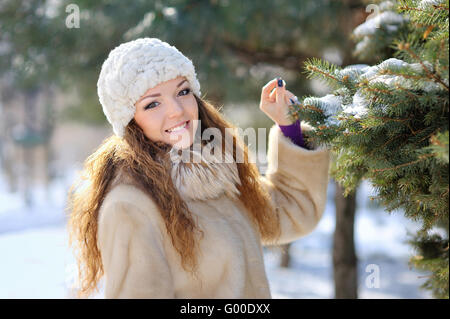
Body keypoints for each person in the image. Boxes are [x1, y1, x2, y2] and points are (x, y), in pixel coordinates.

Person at [67, 37, 331, 298]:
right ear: (129, 120)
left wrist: (290, 128)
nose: (177, 111)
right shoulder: (130, 205)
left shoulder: (214, 172)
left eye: (183, 92)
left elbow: (289, 213)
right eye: (152, 104)